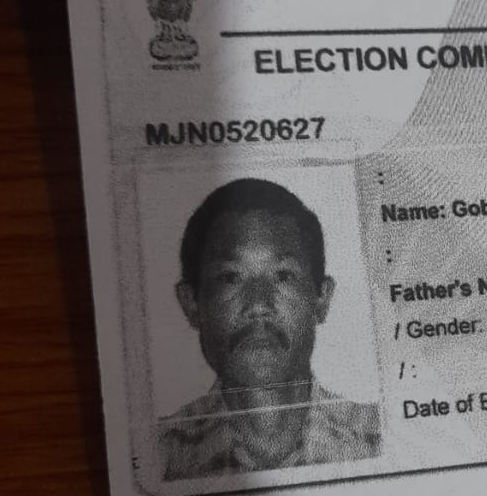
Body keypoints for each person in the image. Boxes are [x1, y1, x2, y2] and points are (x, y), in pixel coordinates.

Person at [158, 178, 381, 480]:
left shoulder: (379, 439)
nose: (258, 304)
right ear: (192, 304)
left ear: (321, 299)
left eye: (283, 275)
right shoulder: (159, 456)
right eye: (230, 277)